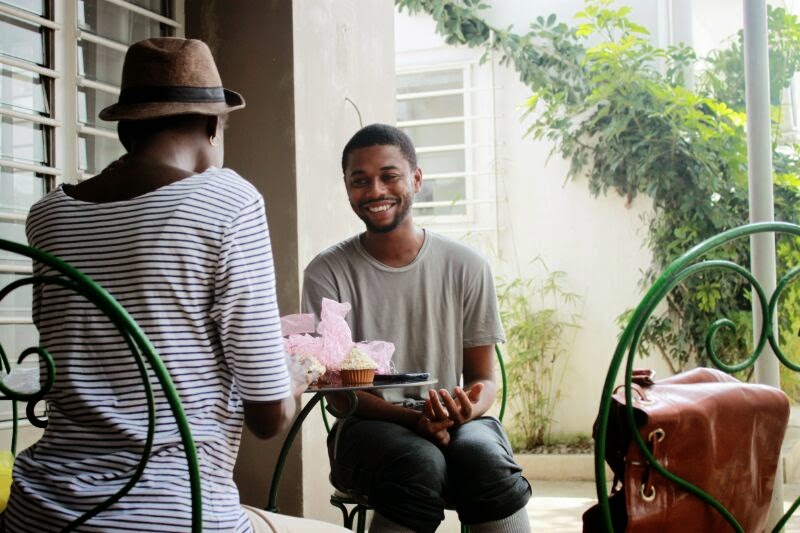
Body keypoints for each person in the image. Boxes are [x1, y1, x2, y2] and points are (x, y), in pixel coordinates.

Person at [4, 38, 347, 533]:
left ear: (126, 130)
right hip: (175, 516)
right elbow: (268, 420)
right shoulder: (229, 201)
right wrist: (288, 370)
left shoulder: (49, 216)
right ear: (213, 125)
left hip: (41, 513)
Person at [302, 124, 532, 533]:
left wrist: (466, 407)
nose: (375, 190)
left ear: (416, 179)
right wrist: (413, 420)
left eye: (389, 175)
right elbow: (338, 398)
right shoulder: (328, 272)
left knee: (486, 460)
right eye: (360, 180)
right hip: (366, 427)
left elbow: (484, 380)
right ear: (347, 187)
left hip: (455, 419)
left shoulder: (468, 266)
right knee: (418, 463)